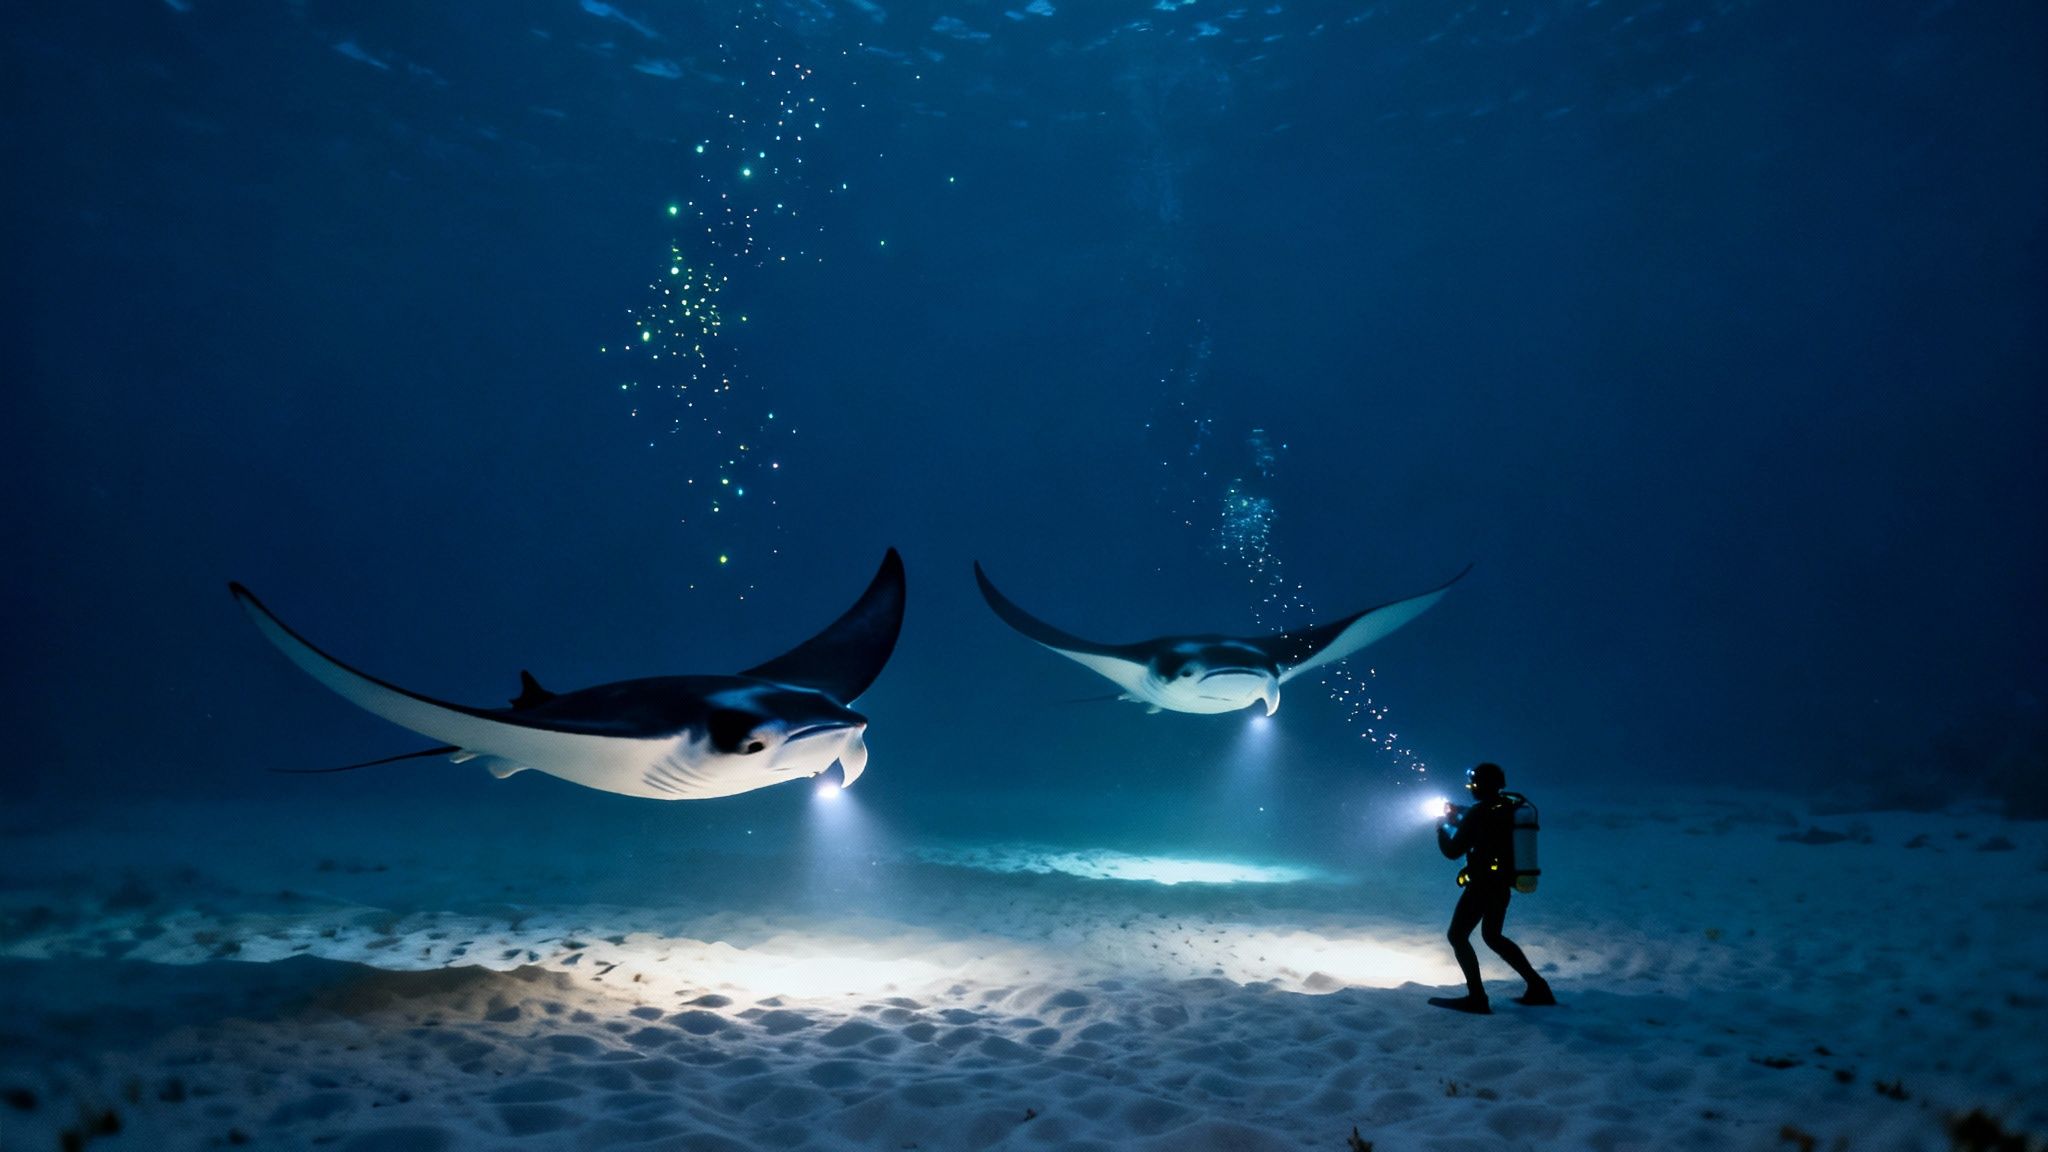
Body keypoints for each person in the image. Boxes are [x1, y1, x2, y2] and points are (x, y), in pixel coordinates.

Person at [1429, 762, 1555, 1014]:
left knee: (1457, 936)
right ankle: (1538, 987)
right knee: (1493, 936)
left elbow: (1453, 850)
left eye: (1474, 783)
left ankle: (1477, 998)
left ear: (1482, 785)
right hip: (1502, 885)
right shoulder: (1508, 807)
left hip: (1482, 885)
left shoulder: (1479, 813)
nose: (1470, 787)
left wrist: (1441, 828)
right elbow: (1485, 823)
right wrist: (1459, 816)